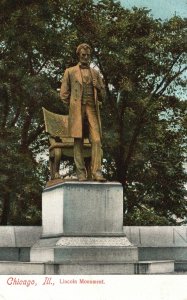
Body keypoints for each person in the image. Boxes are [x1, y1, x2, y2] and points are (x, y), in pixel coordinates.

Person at [60, 43, 106, 181]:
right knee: (78, 141)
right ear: (79, 55)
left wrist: (98, 87)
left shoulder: (95, 73)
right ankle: (81, 173)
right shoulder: (70, 71)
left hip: (92, 109)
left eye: (88, 55)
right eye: (83, 55)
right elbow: (63, 94)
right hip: (77, 110)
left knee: (96, 140)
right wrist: (73, 106)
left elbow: (103, 96)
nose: (86, 57)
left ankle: (97, 172)